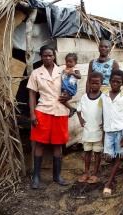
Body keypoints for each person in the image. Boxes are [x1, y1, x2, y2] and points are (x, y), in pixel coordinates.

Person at [27, 45, 71, 189]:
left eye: (50, 55)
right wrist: (33, 114)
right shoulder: (36, 73)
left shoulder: (63, 71)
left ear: (54, 56)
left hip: (60, 111)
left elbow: (71, 87)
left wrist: (68, 96)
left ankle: (57, 176)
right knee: (39, 143)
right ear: (41, 56)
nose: (47, 58)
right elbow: (32, 94)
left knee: (58, 144)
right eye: (45, 55)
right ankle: (36, 177)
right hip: (43, 111)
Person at [101, 70, 123, 195]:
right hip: (108, 131)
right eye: (113, 81)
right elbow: (103, 113)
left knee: (119, 157)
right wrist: (103, 132)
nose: (115, 84)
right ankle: (113, 179)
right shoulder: (104, 96)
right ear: (110, 81)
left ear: (122, 83)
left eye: (118, 82)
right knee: (110, 157)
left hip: (120, 131)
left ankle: (108, 183)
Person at [76, 72, 104, 184]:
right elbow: (78, 110)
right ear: (89, 83)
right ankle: (86, 172)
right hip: (87, 131)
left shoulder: (103, 98)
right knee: (87, 151)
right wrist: (81, 120)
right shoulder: (84, 97)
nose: (94, 85)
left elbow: (107, 112)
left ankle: (95, 173)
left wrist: (105, 122)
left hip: (98, 131)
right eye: (92, 83)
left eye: (97, 83)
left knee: (97, 152)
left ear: (101, 84)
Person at [61, 53, 81, 117]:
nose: (68, 63)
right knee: (61, 100)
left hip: (70, 88)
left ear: (75, 63)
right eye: (67, 62)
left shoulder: (75, 69)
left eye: (71, 62)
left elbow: (79, 76)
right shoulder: (64, 69)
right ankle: (72, 109)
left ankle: (71, 109)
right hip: (64, 88)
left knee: (62, 99)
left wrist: (73, 73)